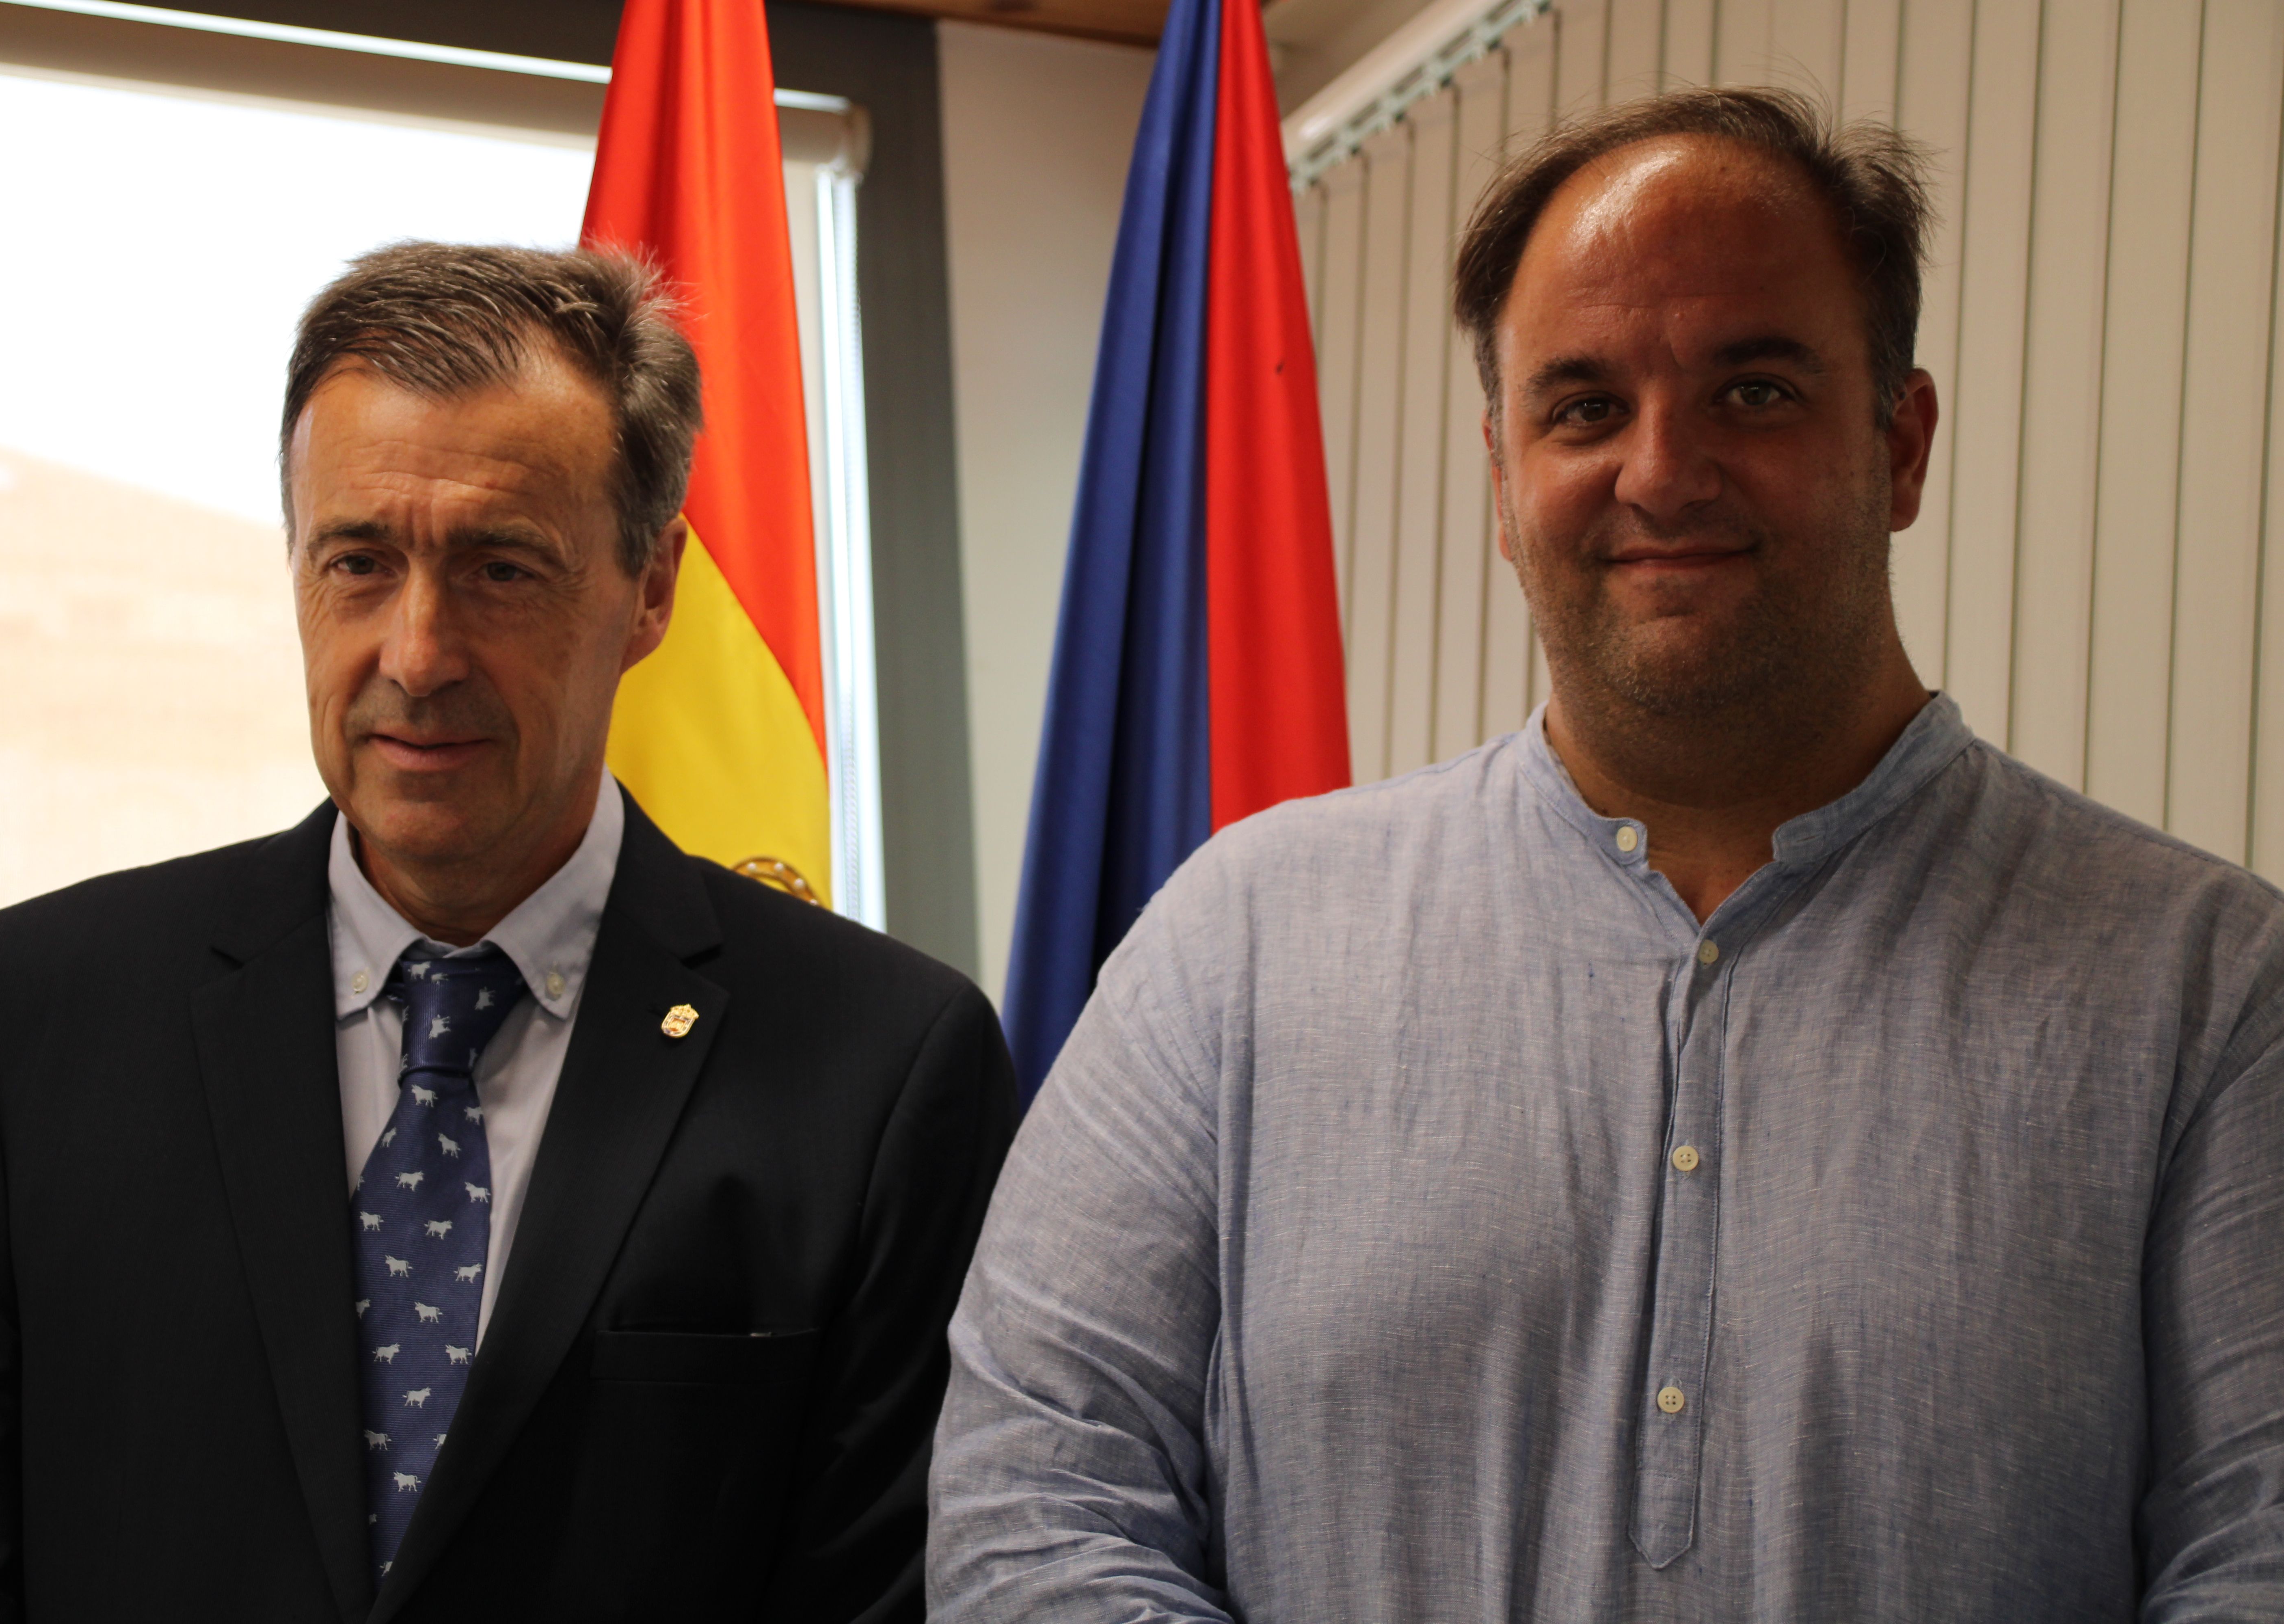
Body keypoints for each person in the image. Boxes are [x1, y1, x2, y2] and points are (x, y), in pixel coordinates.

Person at [928, 88, 2284, 1620]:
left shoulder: (2213, 991)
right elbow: (1033, 1507)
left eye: (1755, 392)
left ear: (1899, 447)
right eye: (1582, 407)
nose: (1661, 470)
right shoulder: (1231, 946)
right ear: (1503, 479)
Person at [0, 242, 1016, 1622]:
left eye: (500, 569)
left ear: (651, 590)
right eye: (358, 560)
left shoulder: (884, 1069)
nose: (415, 652)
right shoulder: (17, 1024)